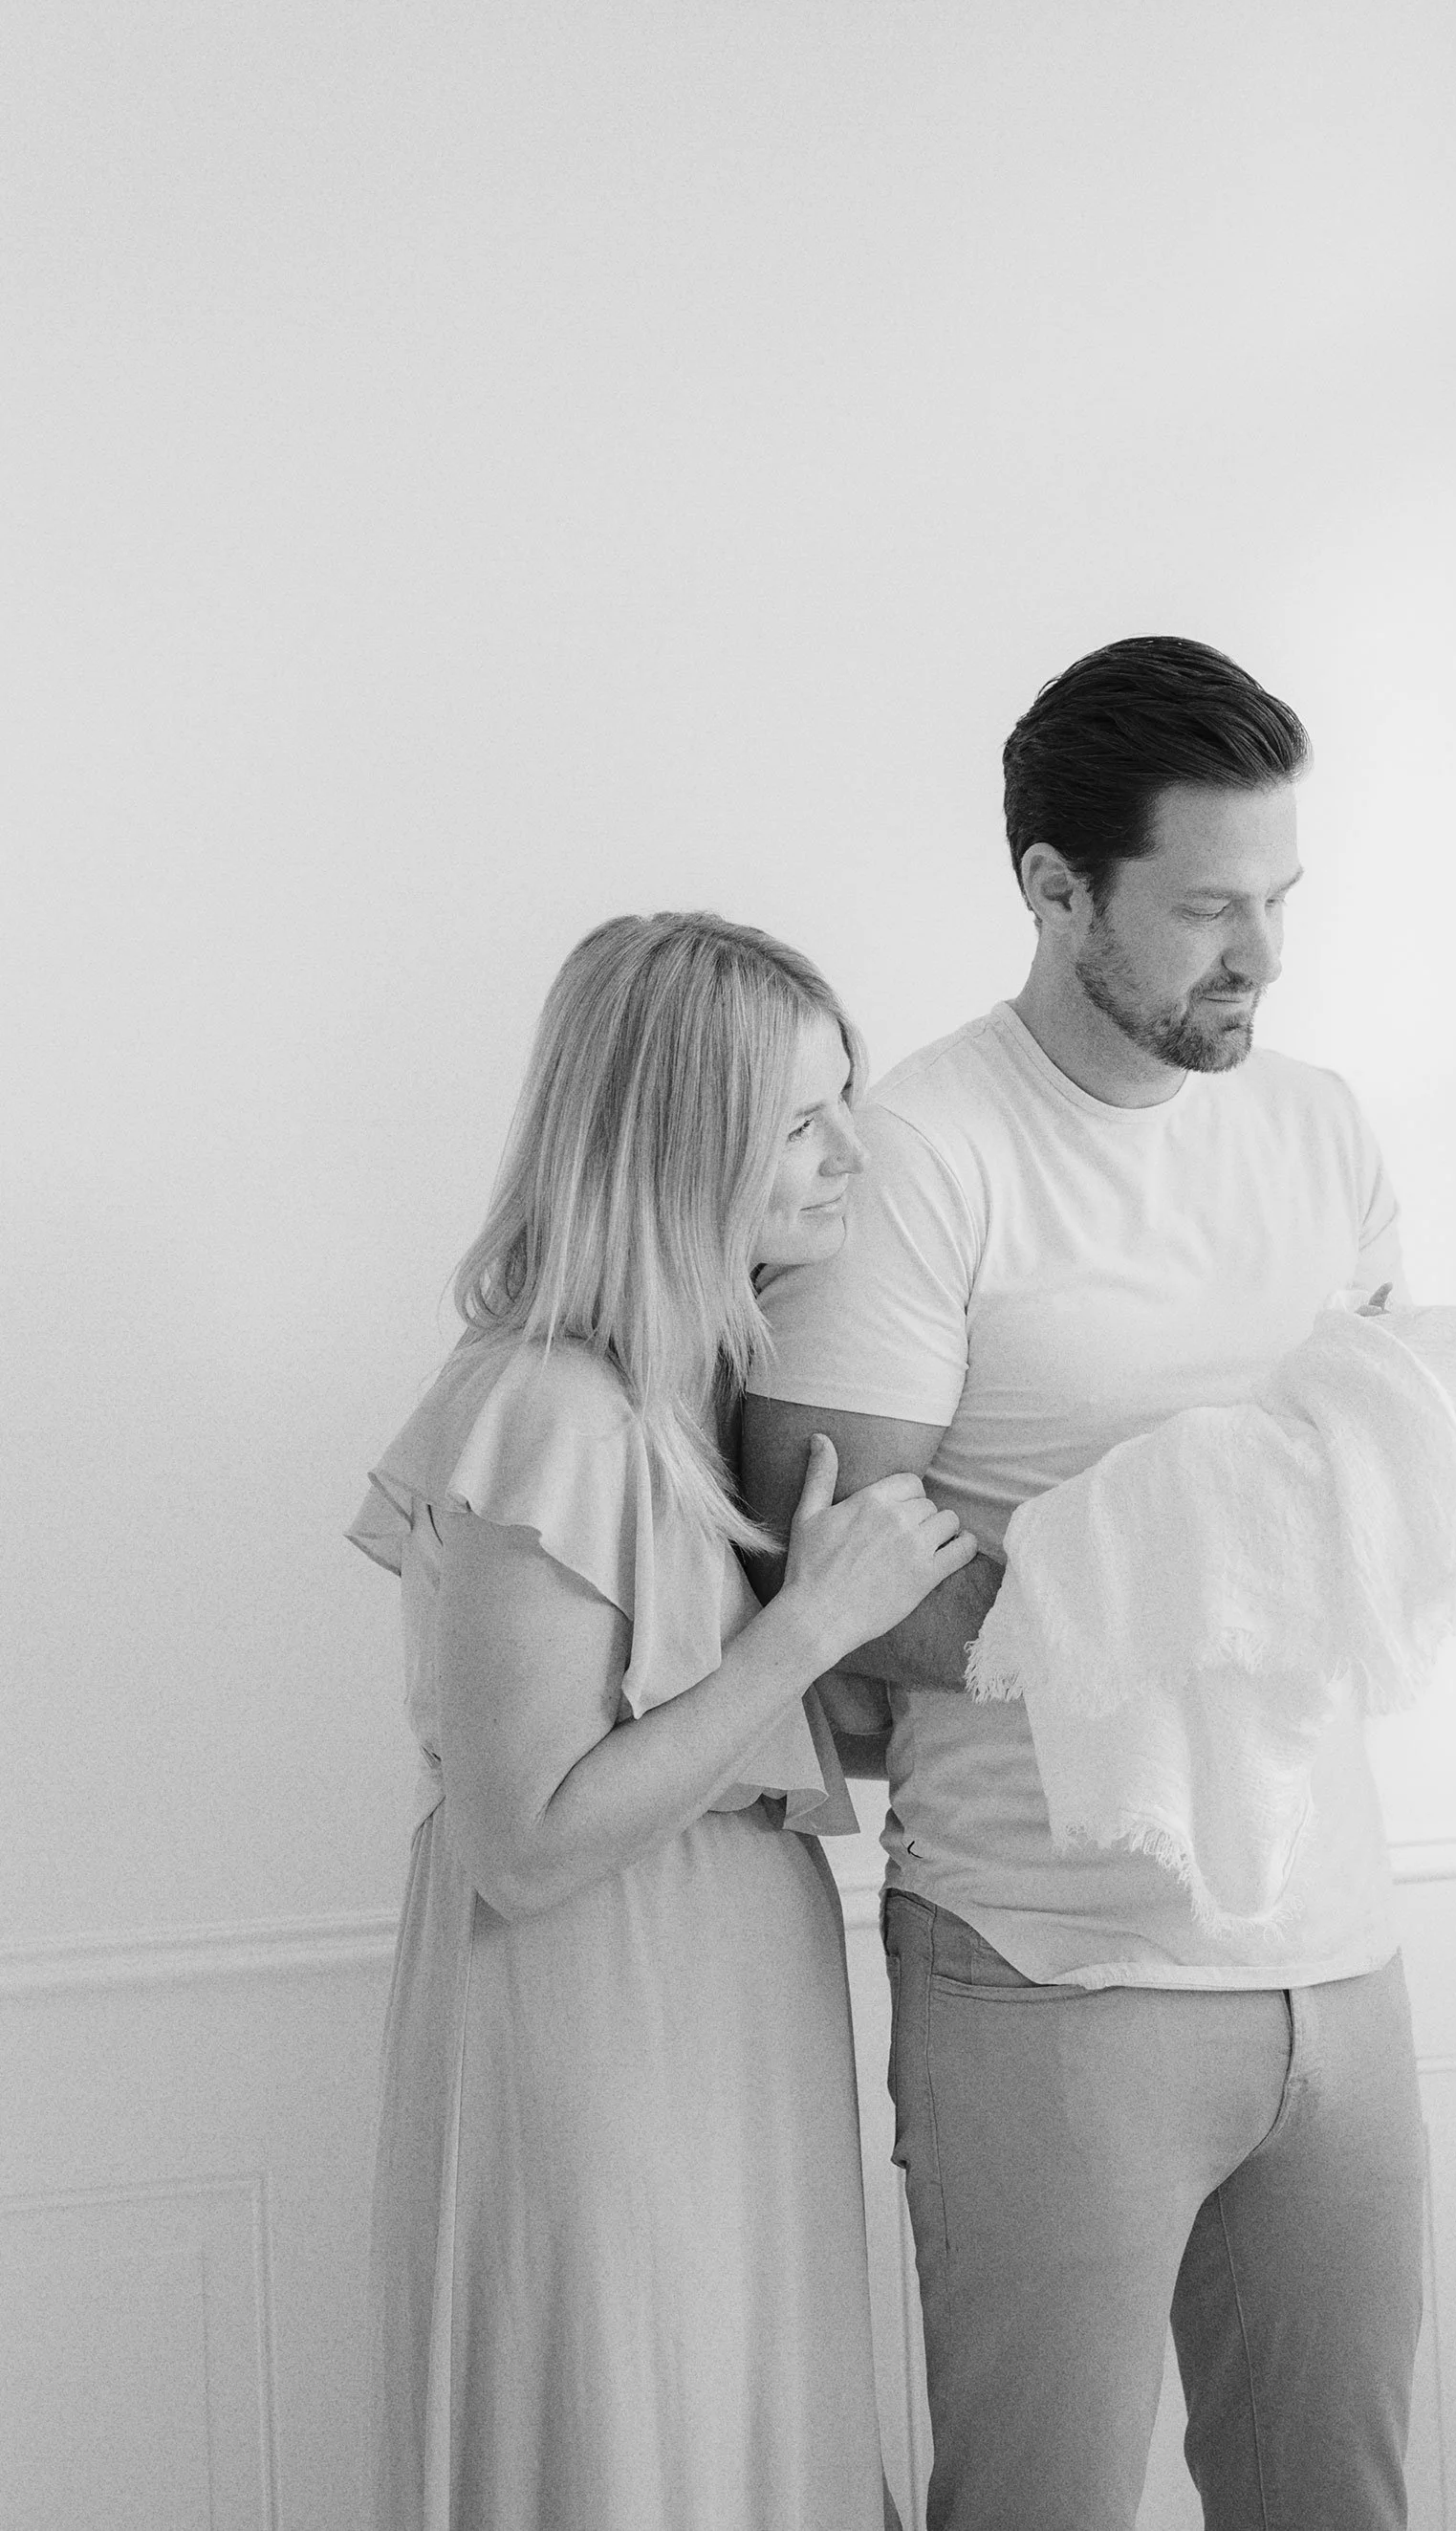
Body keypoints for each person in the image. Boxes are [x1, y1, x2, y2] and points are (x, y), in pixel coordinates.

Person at [740, 639, 1456, 2531]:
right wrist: (1199, 1565)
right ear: (1053, 889)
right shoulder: (917, 1156)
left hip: (1336, 1959)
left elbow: (1362, 1505)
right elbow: (831, 1582)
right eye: (1202, 911)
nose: (1257, 957)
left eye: (1278, 904)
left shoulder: (1319, 1128)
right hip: (1043, 1963)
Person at [346, 912, 977, 2531]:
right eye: (800, 1122)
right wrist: (809, 1628)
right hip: (599, 2050)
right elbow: (525, 1842)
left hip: (718, 2038)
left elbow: (734, 1749)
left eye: (848, 1098)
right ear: (673, 1143)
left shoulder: (683, 1407)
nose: (856, 1151)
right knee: (640, 2455)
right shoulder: (542, 1410)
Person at [965, 1189, 1456, 1933]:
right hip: (1042, 1916)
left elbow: (1417, 1482)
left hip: (1345, 1922)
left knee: (1191, 1477)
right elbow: (1378, 1400)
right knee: (1183, 1474)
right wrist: (1369, 1339)